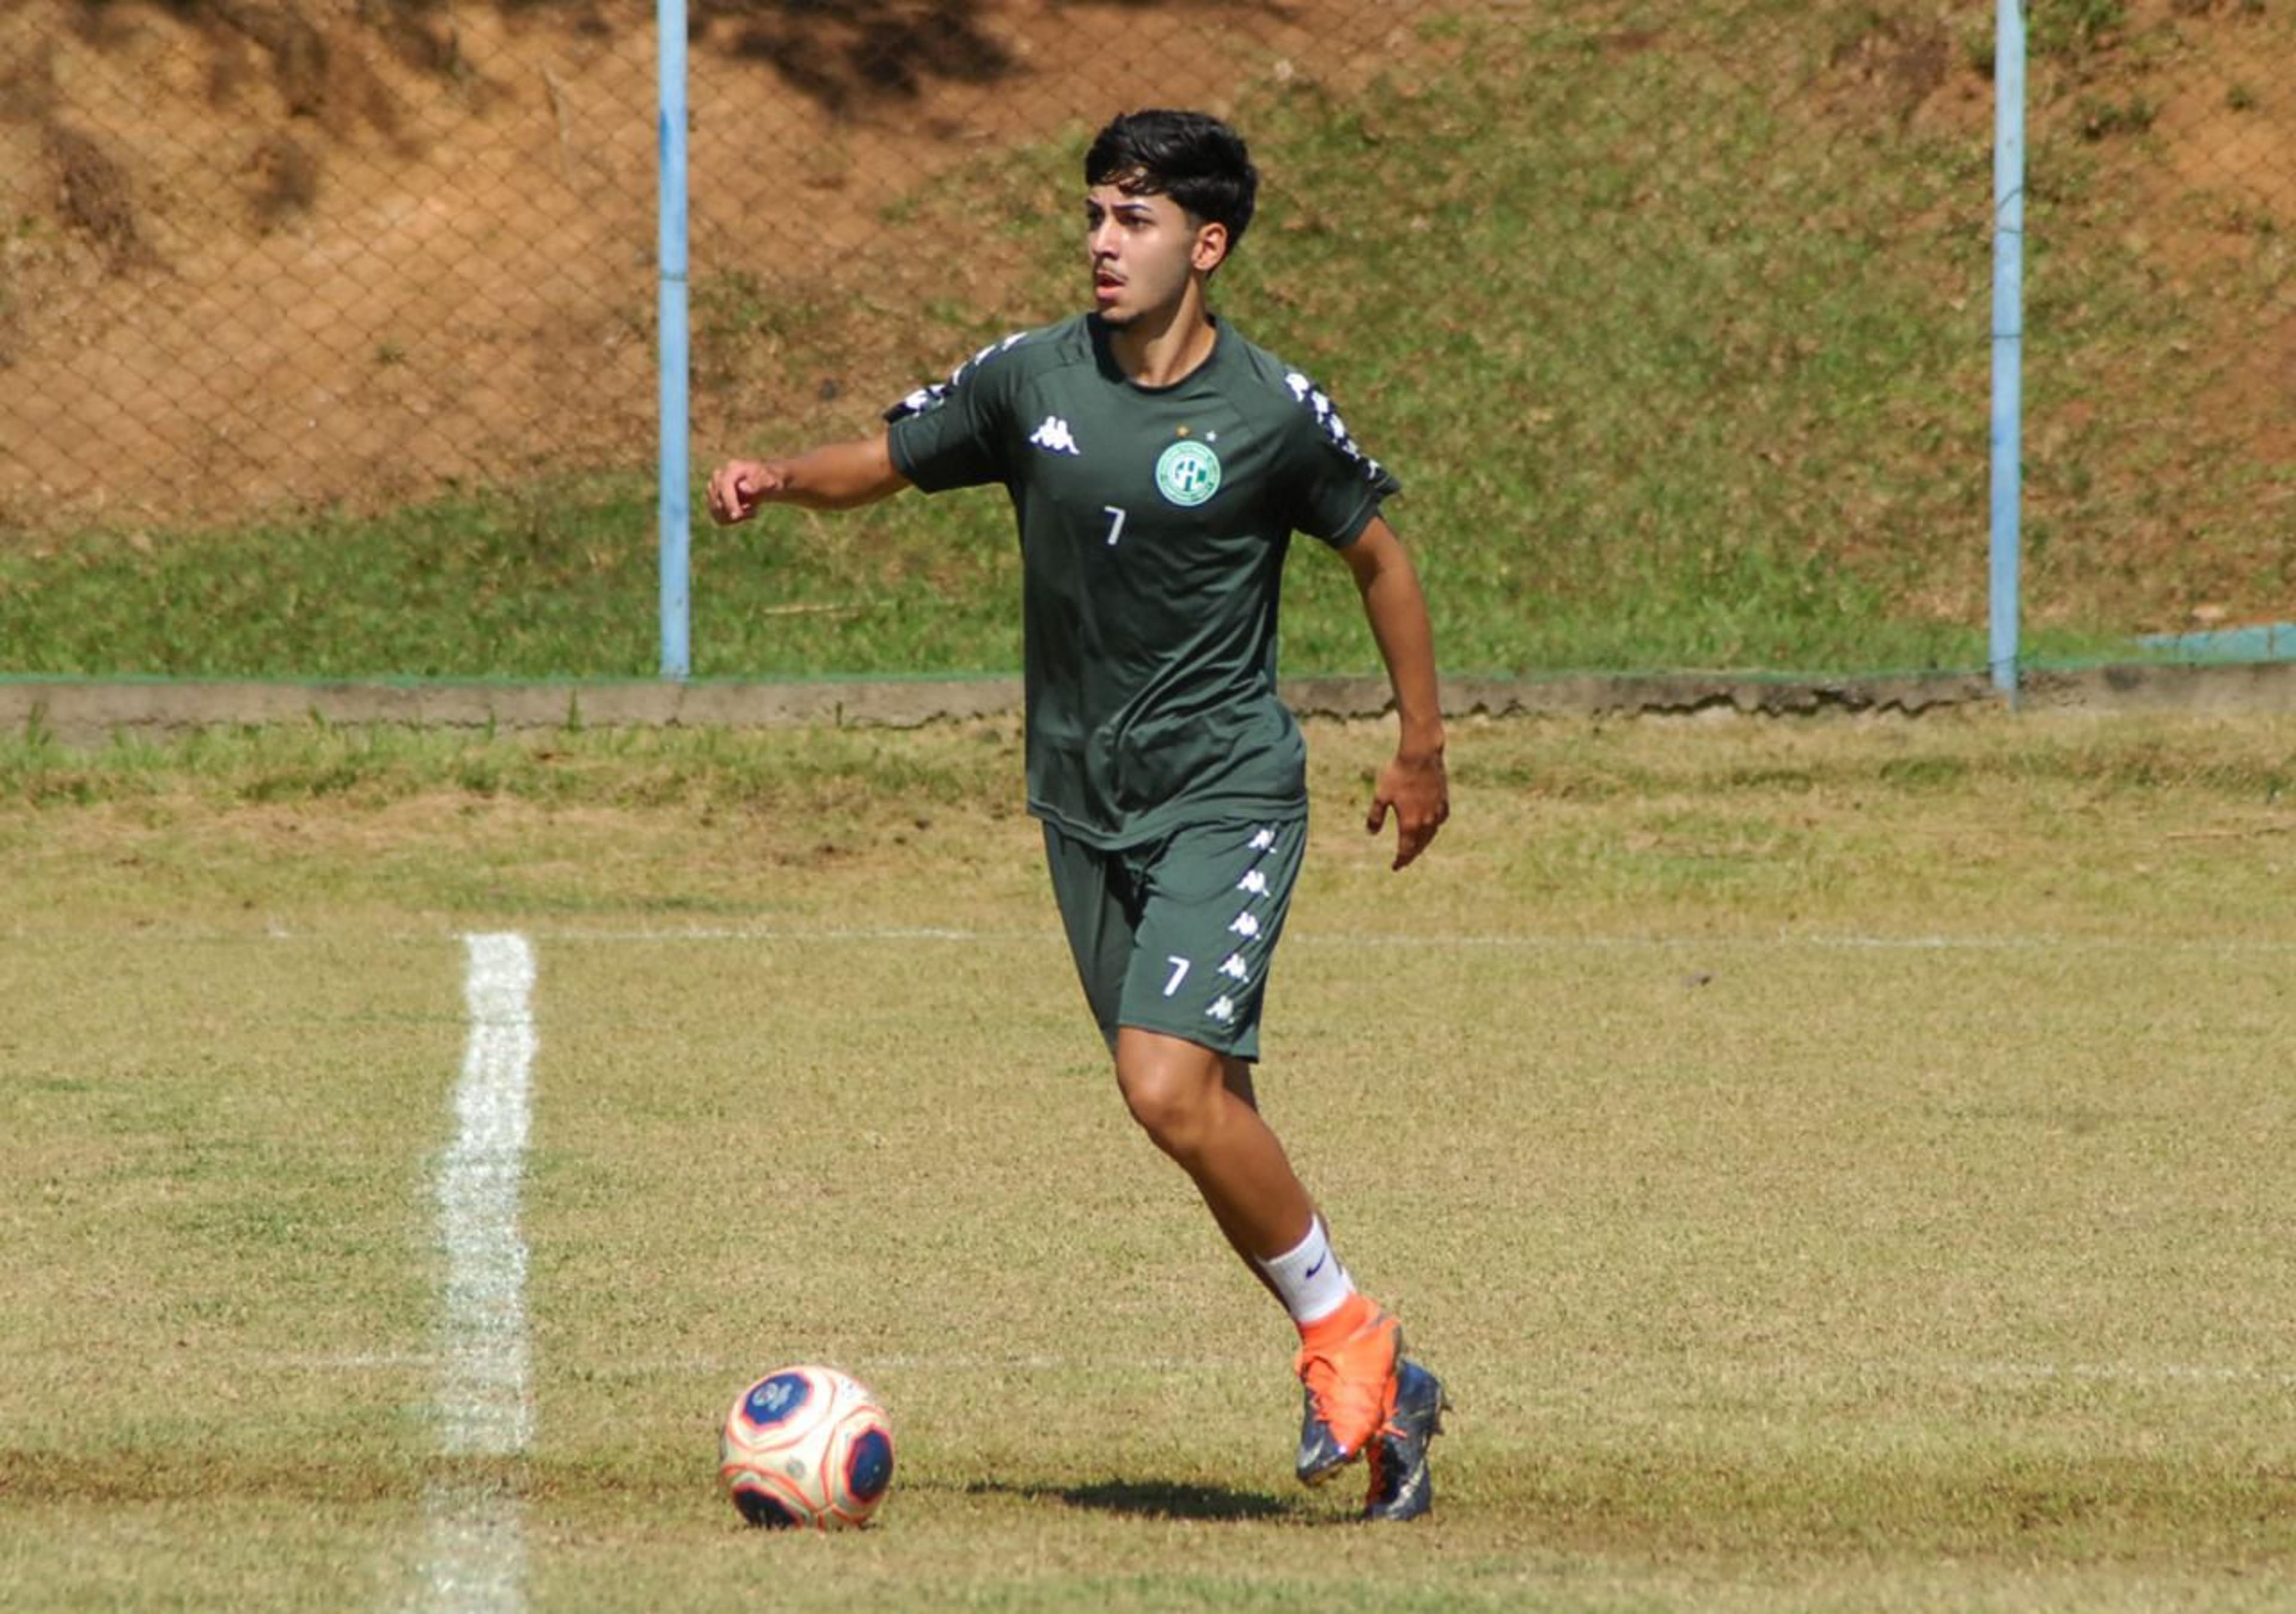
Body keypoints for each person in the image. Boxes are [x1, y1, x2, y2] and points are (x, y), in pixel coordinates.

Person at [707, 108, 1451, 1523]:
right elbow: (894, 454)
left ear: (1206, 245)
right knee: (1200, 1110)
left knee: (1166, 1085)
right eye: (1098, 216)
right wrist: (782, 479)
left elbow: (1380, 558)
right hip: (1081, 801)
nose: (1105, 244)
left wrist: (1421, 751)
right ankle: (1383, 1383)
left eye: (1138, 220)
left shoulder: (1268, 414)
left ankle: (1348, 1343)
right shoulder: (1033, 377)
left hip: (1225, 790)